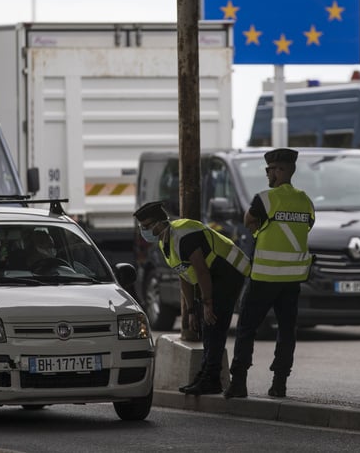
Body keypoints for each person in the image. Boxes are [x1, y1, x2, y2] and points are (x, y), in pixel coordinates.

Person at [133, 200, 251, 396]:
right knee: (205, 324)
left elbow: (201, 271)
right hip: (210, 276)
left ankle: (211, 378)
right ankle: (206, 374)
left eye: (145, 226)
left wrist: (208, 304)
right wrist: (190, 310)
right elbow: (185, 275)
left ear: (159, 223)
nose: (143, 231)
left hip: (228, 271)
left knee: (214, 323)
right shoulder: (165, 241)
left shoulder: (184, 236)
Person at [224, 148, 315, 399]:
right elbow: (307, 226)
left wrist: (259, 233)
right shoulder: (305, 200)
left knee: (246, 329)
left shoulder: (265, 199)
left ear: (282, 170)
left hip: (263, 279)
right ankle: (279, 384)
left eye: (271, 170)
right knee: (287, 331)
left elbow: (248, 219)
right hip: (292, 281)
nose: (268, 175)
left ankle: (239, 382)